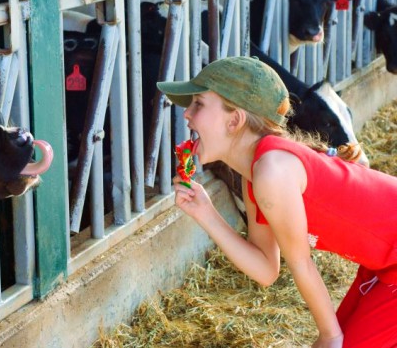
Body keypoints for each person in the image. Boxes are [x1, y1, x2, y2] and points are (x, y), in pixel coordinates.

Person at [156, 56, 397, 348]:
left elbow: (300, 262)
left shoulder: (272, 172)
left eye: (199, 104)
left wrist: (330, 337)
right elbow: (267, 270)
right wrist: (206, 213)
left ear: (235, 120)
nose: (187, 115)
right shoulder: (255, 173)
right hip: (382, 264)